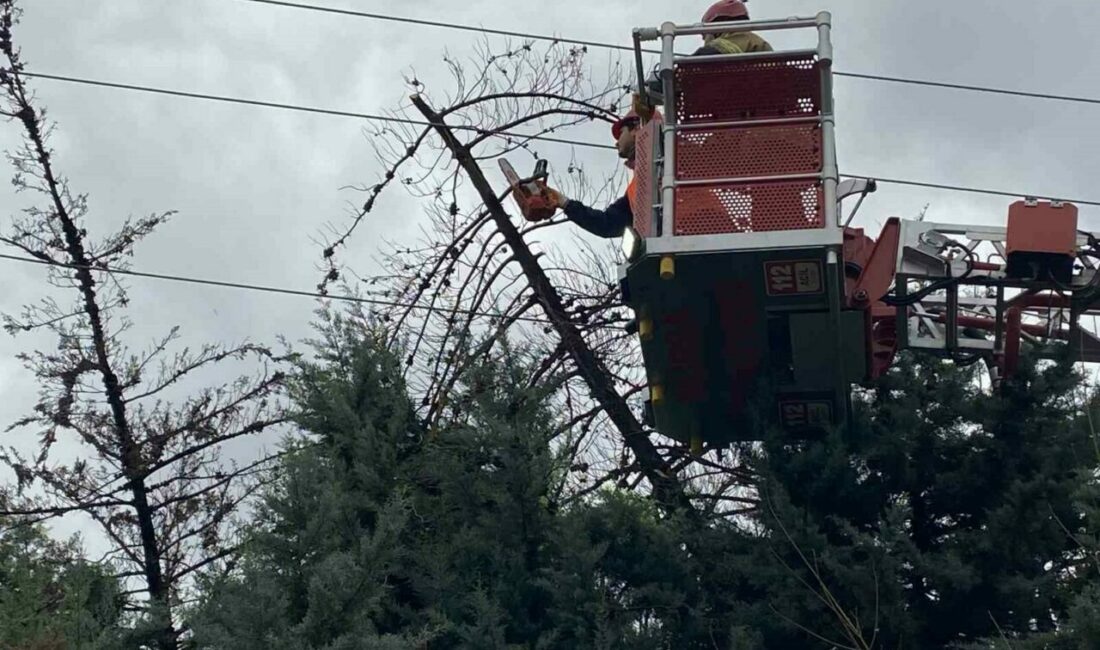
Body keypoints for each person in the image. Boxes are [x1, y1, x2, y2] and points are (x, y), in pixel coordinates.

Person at [633, 0, 772, 120]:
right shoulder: (754, 46)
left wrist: (652, 87)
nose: (704, 40)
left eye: (705, 35)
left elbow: (699, 64)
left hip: (748, 122)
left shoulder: (739, 39)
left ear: (718, 26)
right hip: (760, 119)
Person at [544, 109, 652, 239]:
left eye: (621, 133)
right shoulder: (637, 188)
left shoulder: (674, 159)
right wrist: (563, 202)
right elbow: (607, 224)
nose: (617, 143)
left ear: (636, 128)